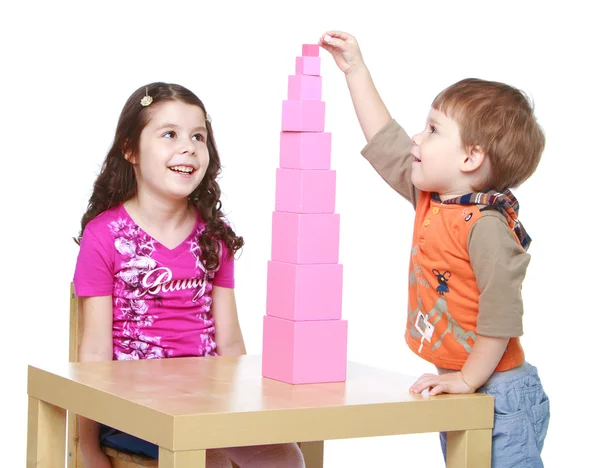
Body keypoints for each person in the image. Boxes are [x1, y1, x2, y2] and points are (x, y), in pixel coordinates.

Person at [319, 31, 550, 467]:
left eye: (433, 129)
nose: (416, 137)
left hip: (498, 391)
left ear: (470, 158)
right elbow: (385, 142)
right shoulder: (432, 200)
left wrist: (467, 379)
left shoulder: (485, 226)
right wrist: (355, 71)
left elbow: (501, 316)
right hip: (467, 385)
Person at [73, 82, 304, 468]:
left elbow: (229, 344)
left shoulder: (214, 235)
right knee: (206, 457)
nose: (189, 146)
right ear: (130, 149)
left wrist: (254, 414)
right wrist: (87, 446)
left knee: (284, 456)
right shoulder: (104, 236)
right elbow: (93, 355)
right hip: (134, 411)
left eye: (199, 136)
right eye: (169, 134)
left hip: (208, 405)